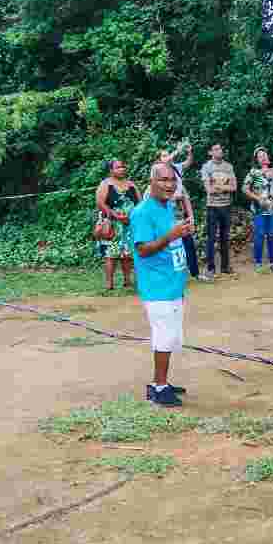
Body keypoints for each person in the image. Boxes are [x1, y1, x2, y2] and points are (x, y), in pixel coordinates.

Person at [130, 163, 193, 407]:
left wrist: (181, 233)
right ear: (152, 182)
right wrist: (171, 236)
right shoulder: (143, 212)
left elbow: (168, 237)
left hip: (172, 283)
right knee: (164, 337)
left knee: (172, 337)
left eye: (172, 180)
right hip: (157, 287)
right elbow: (143, 249)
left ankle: (162, 380)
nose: (169, 184)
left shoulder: (167, 206)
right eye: (163, 180)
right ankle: (158, 388)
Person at [95, 160, 141, 292]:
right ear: (111, 170)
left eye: (123, 167)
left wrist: (133, 217)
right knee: (111, 254)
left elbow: (140, 204)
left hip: (129, 224)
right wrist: (116, 216)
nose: (122, 169)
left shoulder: (131, 185)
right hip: (112, 225)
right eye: (118, 167)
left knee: (127, 254)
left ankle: (127, 280)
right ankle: (109, 283)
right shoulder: (105, 184)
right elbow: (100, 203)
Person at [159, 143, 200, 281]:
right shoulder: (158, 173)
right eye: (164, 155)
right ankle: (174, 274)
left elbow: (188, 162)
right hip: (165, 213)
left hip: (179, 212)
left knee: (188, 242)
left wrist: (189, 152)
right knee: (171, 245)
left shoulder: (176, 169)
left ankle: (195, 273)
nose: (167, 157)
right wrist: (177, 150)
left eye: (167, 154)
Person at [243, 147, 273, 272]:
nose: (263, 157)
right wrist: (257, 198)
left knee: (272, 235)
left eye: (264, 154)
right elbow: (245, 189)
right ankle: (258, 263)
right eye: (260, 156)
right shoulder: (253, 172)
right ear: (257, 160)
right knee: (259, 235)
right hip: (259, 209)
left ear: (268, 156)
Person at [199, 144, 236, 277]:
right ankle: (211, 268)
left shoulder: (228, 166)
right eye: (216, 149)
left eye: (220, 148)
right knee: (211, 238)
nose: (219, 151)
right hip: (212, 207)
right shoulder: (206, 167)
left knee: (225, 237)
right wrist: (224, 186)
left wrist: (218, 186)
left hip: (226, 206)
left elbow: (234, 187)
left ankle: (225, 267)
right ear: (210, 152)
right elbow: (208, 189)